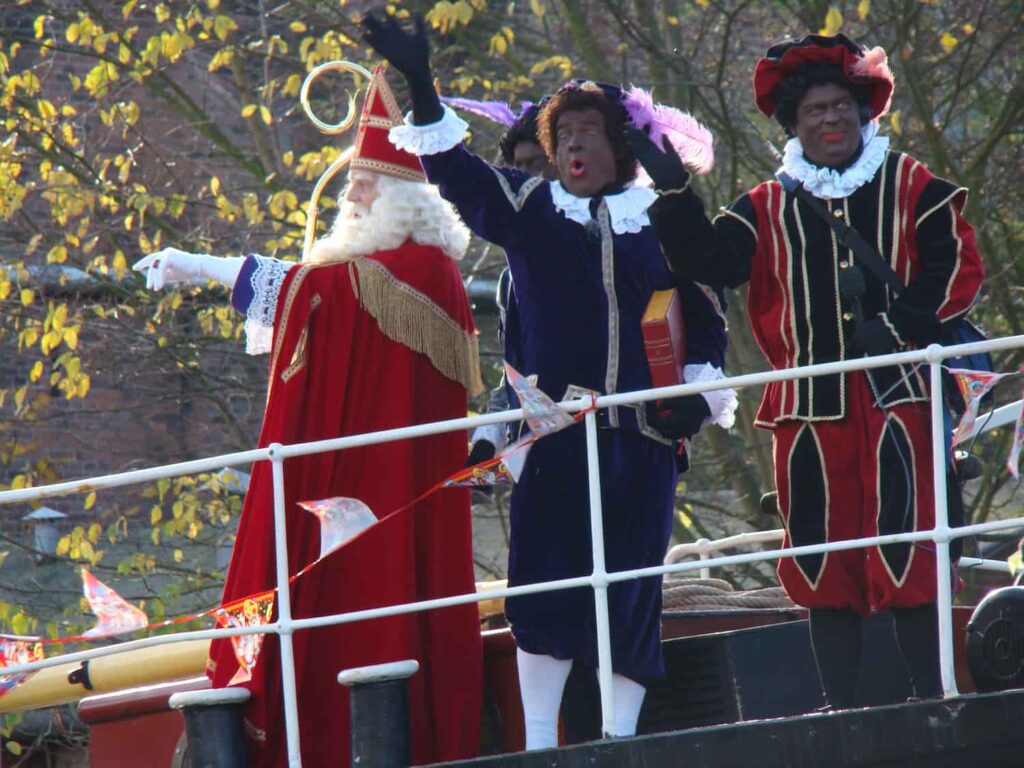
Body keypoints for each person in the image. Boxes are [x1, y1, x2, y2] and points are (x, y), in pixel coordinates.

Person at [363, 15, 736, 749]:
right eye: (564, 134)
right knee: (543, 589)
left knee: (629, 593)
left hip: (642, 438)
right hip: (557, 439)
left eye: (589, 133)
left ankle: (620, 740)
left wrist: (696, 389)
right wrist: (421, 83)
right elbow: (461, 174)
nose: (573, 144)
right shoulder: (533, 211)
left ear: (619, 148)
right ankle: (541, 743)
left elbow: (707, 310)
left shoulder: (658, 221)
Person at [133, 66, 484, 767]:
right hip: (370, 475)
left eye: (366, 183)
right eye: (353, 180)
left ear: (403, 198)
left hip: (378, 482)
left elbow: (313, 292)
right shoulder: (406, 269)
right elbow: (318, 290)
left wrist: (200, 265)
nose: (351, 194)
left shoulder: (409, 269)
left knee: (359, 609)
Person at [641, 33, 984, 709]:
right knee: (820, 552)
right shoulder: (766, 203)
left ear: (862, 114)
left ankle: (931, 694)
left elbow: (958, 271)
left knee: (910, 543)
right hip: (806, 409)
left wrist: (901, 327)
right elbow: (710, 262)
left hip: (900, 396)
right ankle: (842, 704)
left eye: (840, 107)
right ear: (794, 126)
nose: (830, 120)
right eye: (814, 113)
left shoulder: (914, 183)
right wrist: (673, 187)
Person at [467, 103, 556, 467]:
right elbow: (515, 373)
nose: (525, 175)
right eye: (517, 166)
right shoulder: (509, 281)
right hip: (536, 438)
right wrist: (489, 439)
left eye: (536, 163)